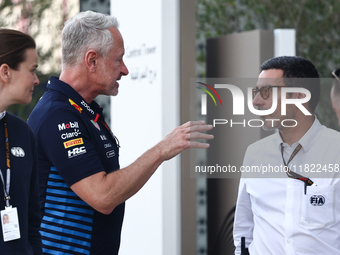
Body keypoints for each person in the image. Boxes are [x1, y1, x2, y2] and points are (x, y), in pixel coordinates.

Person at [27, 11, 213, 255]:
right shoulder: (58, 115)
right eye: (119, 59)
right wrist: (161, 150)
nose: (125, 70)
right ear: (92, 60)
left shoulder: (82, 110)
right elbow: (103, 196)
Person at [233, 56, 340, 254]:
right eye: (256, 92)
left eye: (266, 92)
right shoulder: (255, 154)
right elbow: (243, 231)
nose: (256, 102)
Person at [0, 29, 42, 254]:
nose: (36, 79)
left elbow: (33, 220)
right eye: (32, 70)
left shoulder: (22, 132)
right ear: (6, 72)